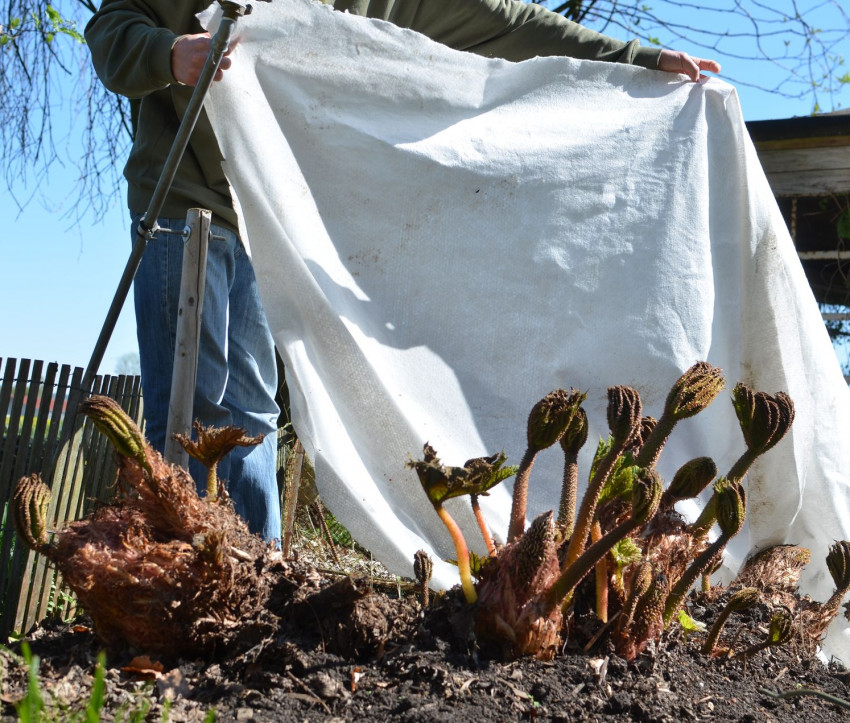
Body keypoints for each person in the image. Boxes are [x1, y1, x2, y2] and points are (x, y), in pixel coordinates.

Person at [84, 0, 719, 542]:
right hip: (183, 206)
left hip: (269, 216)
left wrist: (637, 59)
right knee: (187, 405)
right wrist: (169, 56)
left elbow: (503, 23)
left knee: (248, 413)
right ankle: (180, 566)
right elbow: (111, 31)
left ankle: (253, 571)